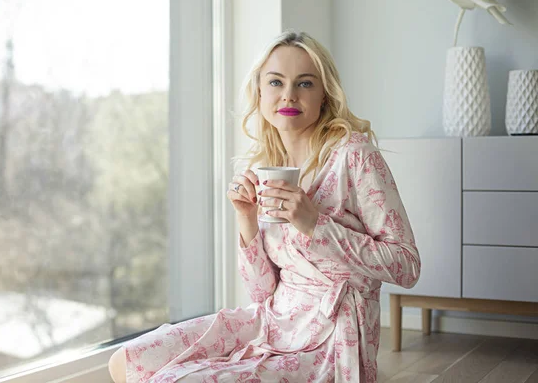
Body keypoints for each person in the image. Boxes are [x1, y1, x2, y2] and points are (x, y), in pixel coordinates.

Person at [109, 30, 421, 383]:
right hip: (271, 319)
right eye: (276, 82)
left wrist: (315, 224)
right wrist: (247, 220)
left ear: (324, 95)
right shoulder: (266, 165)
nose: (288, 95)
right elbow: (261, 293)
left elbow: (407, 266)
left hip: (329, 337)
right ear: (259, 92)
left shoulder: (354, 156)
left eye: (305, 84)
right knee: (126, 360)